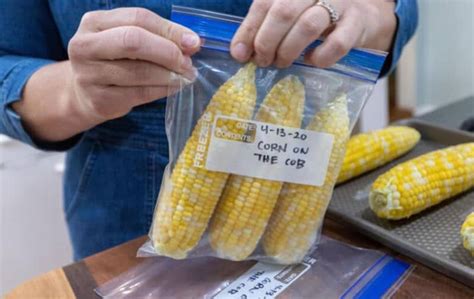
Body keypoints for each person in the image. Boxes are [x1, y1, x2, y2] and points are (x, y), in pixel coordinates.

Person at [0, 0, 418, 260]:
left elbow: (400, 11)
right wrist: (75, 92)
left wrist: (374, 11)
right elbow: (8, 63)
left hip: (304, 203)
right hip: (121, 216)